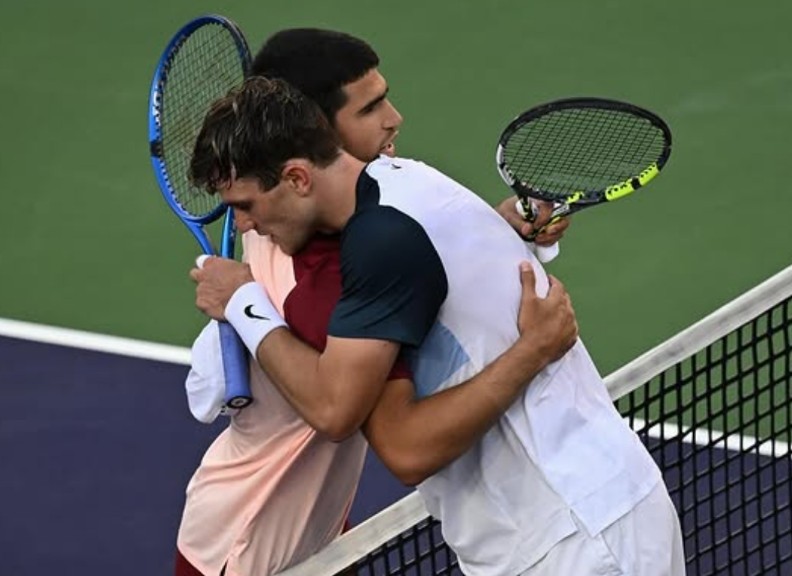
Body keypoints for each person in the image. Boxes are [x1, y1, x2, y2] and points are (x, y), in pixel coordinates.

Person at [189, 76, 685, 576]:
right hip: (592, 511)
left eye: (246, 207)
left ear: (297, 178)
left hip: (571, 539)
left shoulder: (380, 245)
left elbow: (394, 443)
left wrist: (243, 304)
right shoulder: (408, 178)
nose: (247, 227)